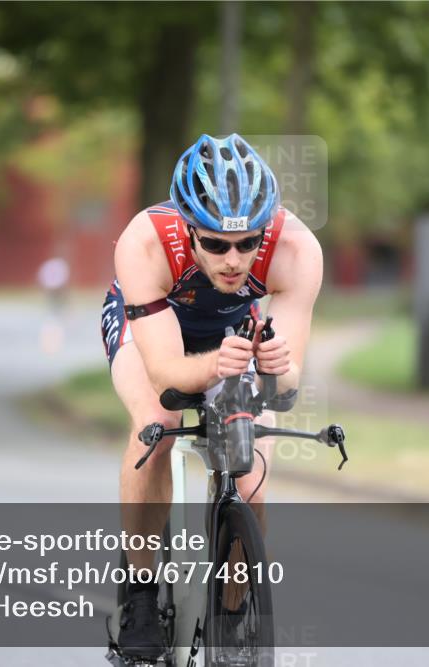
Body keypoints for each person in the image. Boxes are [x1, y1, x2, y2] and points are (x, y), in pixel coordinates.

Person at [100, 133, 323, 660]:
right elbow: (170, 378)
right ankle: (139, 593)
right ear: (188, 228)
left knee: (251, 483)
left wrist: (275, 369)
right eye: (216, 245)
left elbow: (287, 389)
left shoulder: (296, 249)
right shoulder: (146, 241)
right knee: (155, 422)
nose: (233, 259)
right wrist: (214, 367)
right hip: (156, 332)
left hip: (235, 333)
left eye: (247, 243)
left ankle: (230, 619)